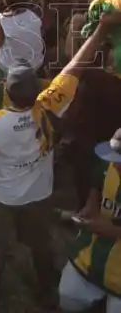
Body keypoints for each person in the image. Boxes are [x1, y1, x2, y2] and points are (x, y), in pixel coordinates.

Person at [0, 10, 117, 311]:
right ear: (39, 89)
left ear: (7, 91)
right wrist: (101, 30)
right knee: (40, 243)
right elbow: (76, 65)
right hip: (39, 194)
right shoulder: (49, 108)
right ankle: (46, 292)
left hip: (0, 194)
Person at [59, 126, 121, 311]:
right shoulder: (110, 163)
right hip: (92, 255)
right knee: (68, 297)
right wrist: (91, 203)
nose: (115, 165)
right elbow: (98, 177)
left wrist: (113, 231)